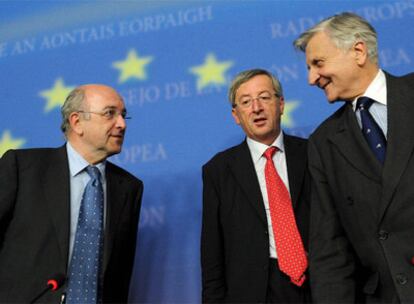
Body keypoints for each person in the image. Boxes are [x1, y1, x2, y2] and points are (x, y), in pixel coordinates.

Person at [293, 12, 414, 303]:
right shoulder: (323, 142)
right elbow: (330, 249)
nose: (311, 79)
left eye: (318, 64)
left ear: (358, 51)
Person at [0, 84, 143, 303]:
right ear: (77, 122)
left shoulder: (129, 188)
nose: (122, 124)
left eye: (123, 116)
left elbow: (120, 276)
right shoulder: (22, 168)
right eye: (109, 114)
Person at [201, 69, 311, 303]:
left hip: (317, 284)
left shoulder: (313, 153)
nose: (256, 108)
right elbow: (212, 252)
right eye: (246, 102)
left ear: (281, 104)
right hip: (252, 291)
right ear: (236, 115)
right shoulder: (218, 170)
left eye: (264, 97)